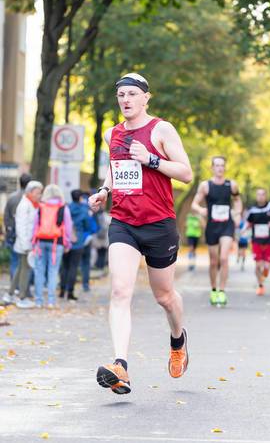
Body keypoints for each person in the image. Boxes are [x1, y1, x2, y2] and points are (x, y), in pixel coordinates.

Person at [89, 72, 192, 395]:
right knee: (120, 291)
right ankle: (120, 366)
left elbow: (186, 173)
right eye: (121, 95)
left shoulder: (161, 129)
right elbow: (115, 166)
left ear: (146, 97)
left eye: (133, 94)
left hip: (159, 223)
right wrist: (105, 189)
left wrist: (151, 159)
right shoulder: (112, 134)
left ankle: (178, 340)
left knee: (164, 296)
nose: (126, 100)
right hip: (124, 222)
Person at [191, 156, 242, 306]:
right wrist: (201, 210)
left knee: (224, 258)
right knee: (214, 261)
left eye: (222, 165)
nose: (220, 168)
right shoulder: (205, 186)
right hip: (212, 226)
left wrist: (238, 214)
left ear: (225, 168)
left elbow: (238, 201)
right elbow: (194, 204)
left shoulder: (231, 185)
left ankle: (222, 291)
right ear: (212, 168)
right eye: (217, 165)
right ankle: (213, 290)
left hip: (227, 225)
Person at [3, 181, 43, 308]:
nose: (40, 195)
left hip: (27, 242)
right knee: (25, 270)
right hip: (25, 243)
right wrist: (26, 244)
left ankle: (10, 294)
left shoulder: (31, 204)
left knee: (21, 269)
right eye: (38, 193)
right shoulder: (25, 205)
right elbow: (21, 226)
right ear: (30, 192)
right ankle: (21, 297)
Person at [33, 184, 72, 308]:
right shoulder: (63, 207)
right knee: (53, 271)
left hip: (40, 241)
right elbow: (68, 227)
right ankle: (50, 301)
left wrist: (33, 241)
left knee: (39, 271)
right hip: (57, 242)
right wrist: (67, 242)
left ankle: (38, 301)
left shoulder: (41, 206)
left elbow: (35, 225)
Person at [244, 188, 270, 296]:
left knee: (267, 266)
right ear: (256, 196)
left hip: (269, 240)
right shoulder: (252, 209)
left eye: (263, 194)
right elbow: (248, 223)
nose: (260, 196)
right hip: (256, 241)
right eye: (258, 195)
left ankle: (264, 275)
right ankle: (260, 286)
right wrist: (243, 230)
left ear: (266, 196)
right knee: (258, 265)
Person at [60, 189, 90, 301]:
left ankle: (62, 290)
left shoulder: (66, 208)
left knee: (65, 266)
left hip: (65, 241)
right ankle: (70, 292)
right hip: (78, 241)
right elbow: (87, 225)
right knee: (73, 267)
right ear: (80, 198)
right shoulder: (84, 210)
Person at [4, 173, 32, 279]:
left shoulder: (12, 197)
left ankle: (14, 284)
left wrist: (8, 229)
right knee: (27, 262)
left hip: (13, 232)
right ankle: (24, 287)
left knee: (14, 260)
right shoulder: (30, 199)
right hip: (26, 233)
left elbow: (7, 216)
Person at [80, 192, 99, 292]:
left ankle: (67, 286)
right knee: (86, 263)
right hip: (87, 239)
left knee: (72, 263)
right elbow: (95, 228)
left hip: (76, 240)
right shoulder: (90, 210)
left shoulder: (73, 207)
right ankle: (85, 284)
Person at [92, 206, 111, 277]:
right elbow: (109, 224)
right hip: (105, 238)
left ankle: (98, 267)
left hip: (97, 238)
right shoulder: (106, 216)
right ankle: (101, 268)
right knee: (103, 254)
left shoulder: (96, 216)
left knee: (99, 253)